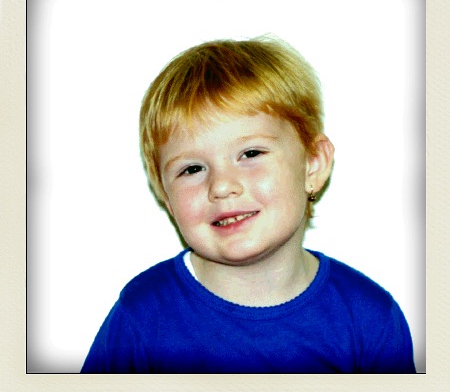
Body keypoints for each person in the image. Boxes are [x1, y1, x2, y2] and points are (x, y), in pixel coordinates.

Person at [81, 36, 416, 374]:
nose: (221, 186)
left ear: (312, 165)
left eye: (250, 153)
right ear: (167, 198)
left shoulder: (369, 319)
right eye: (192, 169)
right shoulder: (142, 318)